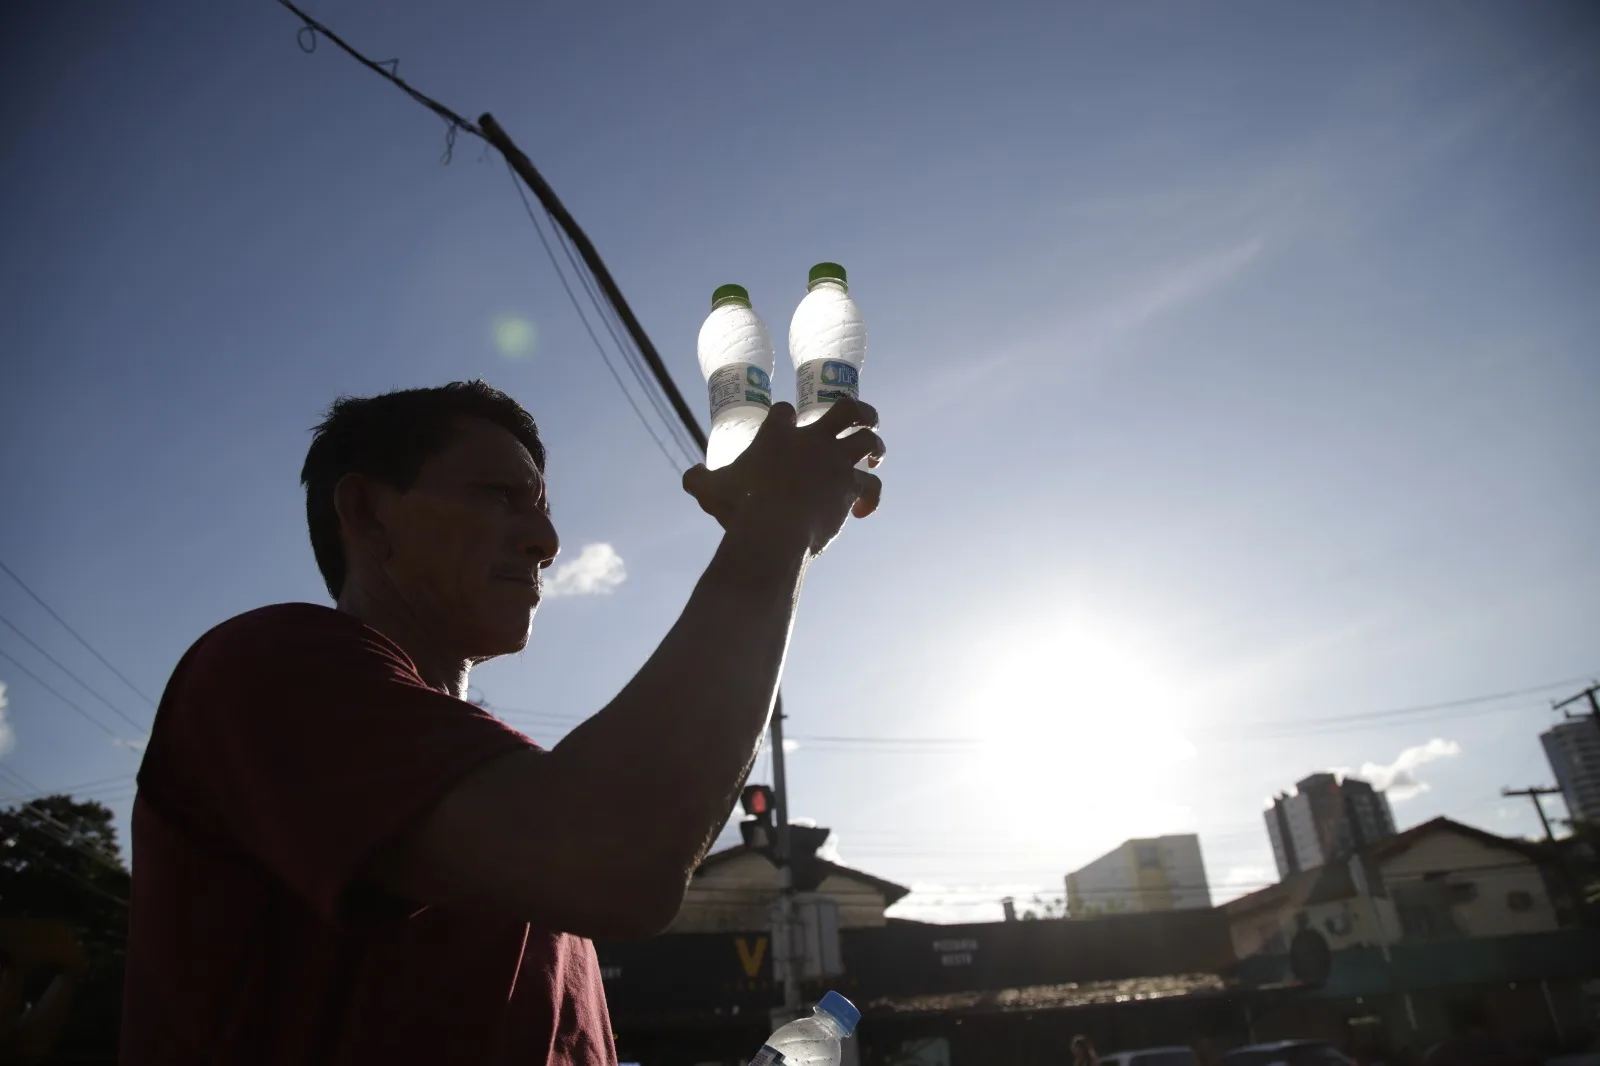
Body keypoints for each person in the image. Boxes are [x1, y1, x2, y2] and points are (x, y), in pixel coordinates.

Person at [119, 381, 885, 1065]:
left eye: (544, 511)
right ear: (365, 511)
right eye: (498, 495)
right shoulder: (270, 666)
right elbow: (618, 858)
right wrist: (774, 531)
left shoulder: (502, 788)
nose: (545, 541)